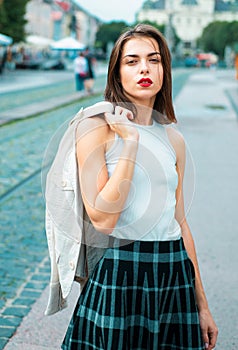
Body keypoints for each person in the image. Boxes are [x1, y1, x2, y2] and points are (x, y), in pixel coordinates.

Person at [61, 24, 218, 349]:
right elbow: (104, 219)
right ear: (116, 74)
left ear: (164, 70)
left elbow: (179, 222)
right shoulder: (95, 130)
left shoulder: (174, 138)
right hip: (121, 269)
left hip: (173, 271)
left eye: (154, 60)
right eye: (131, 61)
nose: (144, 68)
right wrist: (130, 144)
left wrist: (202, 304)